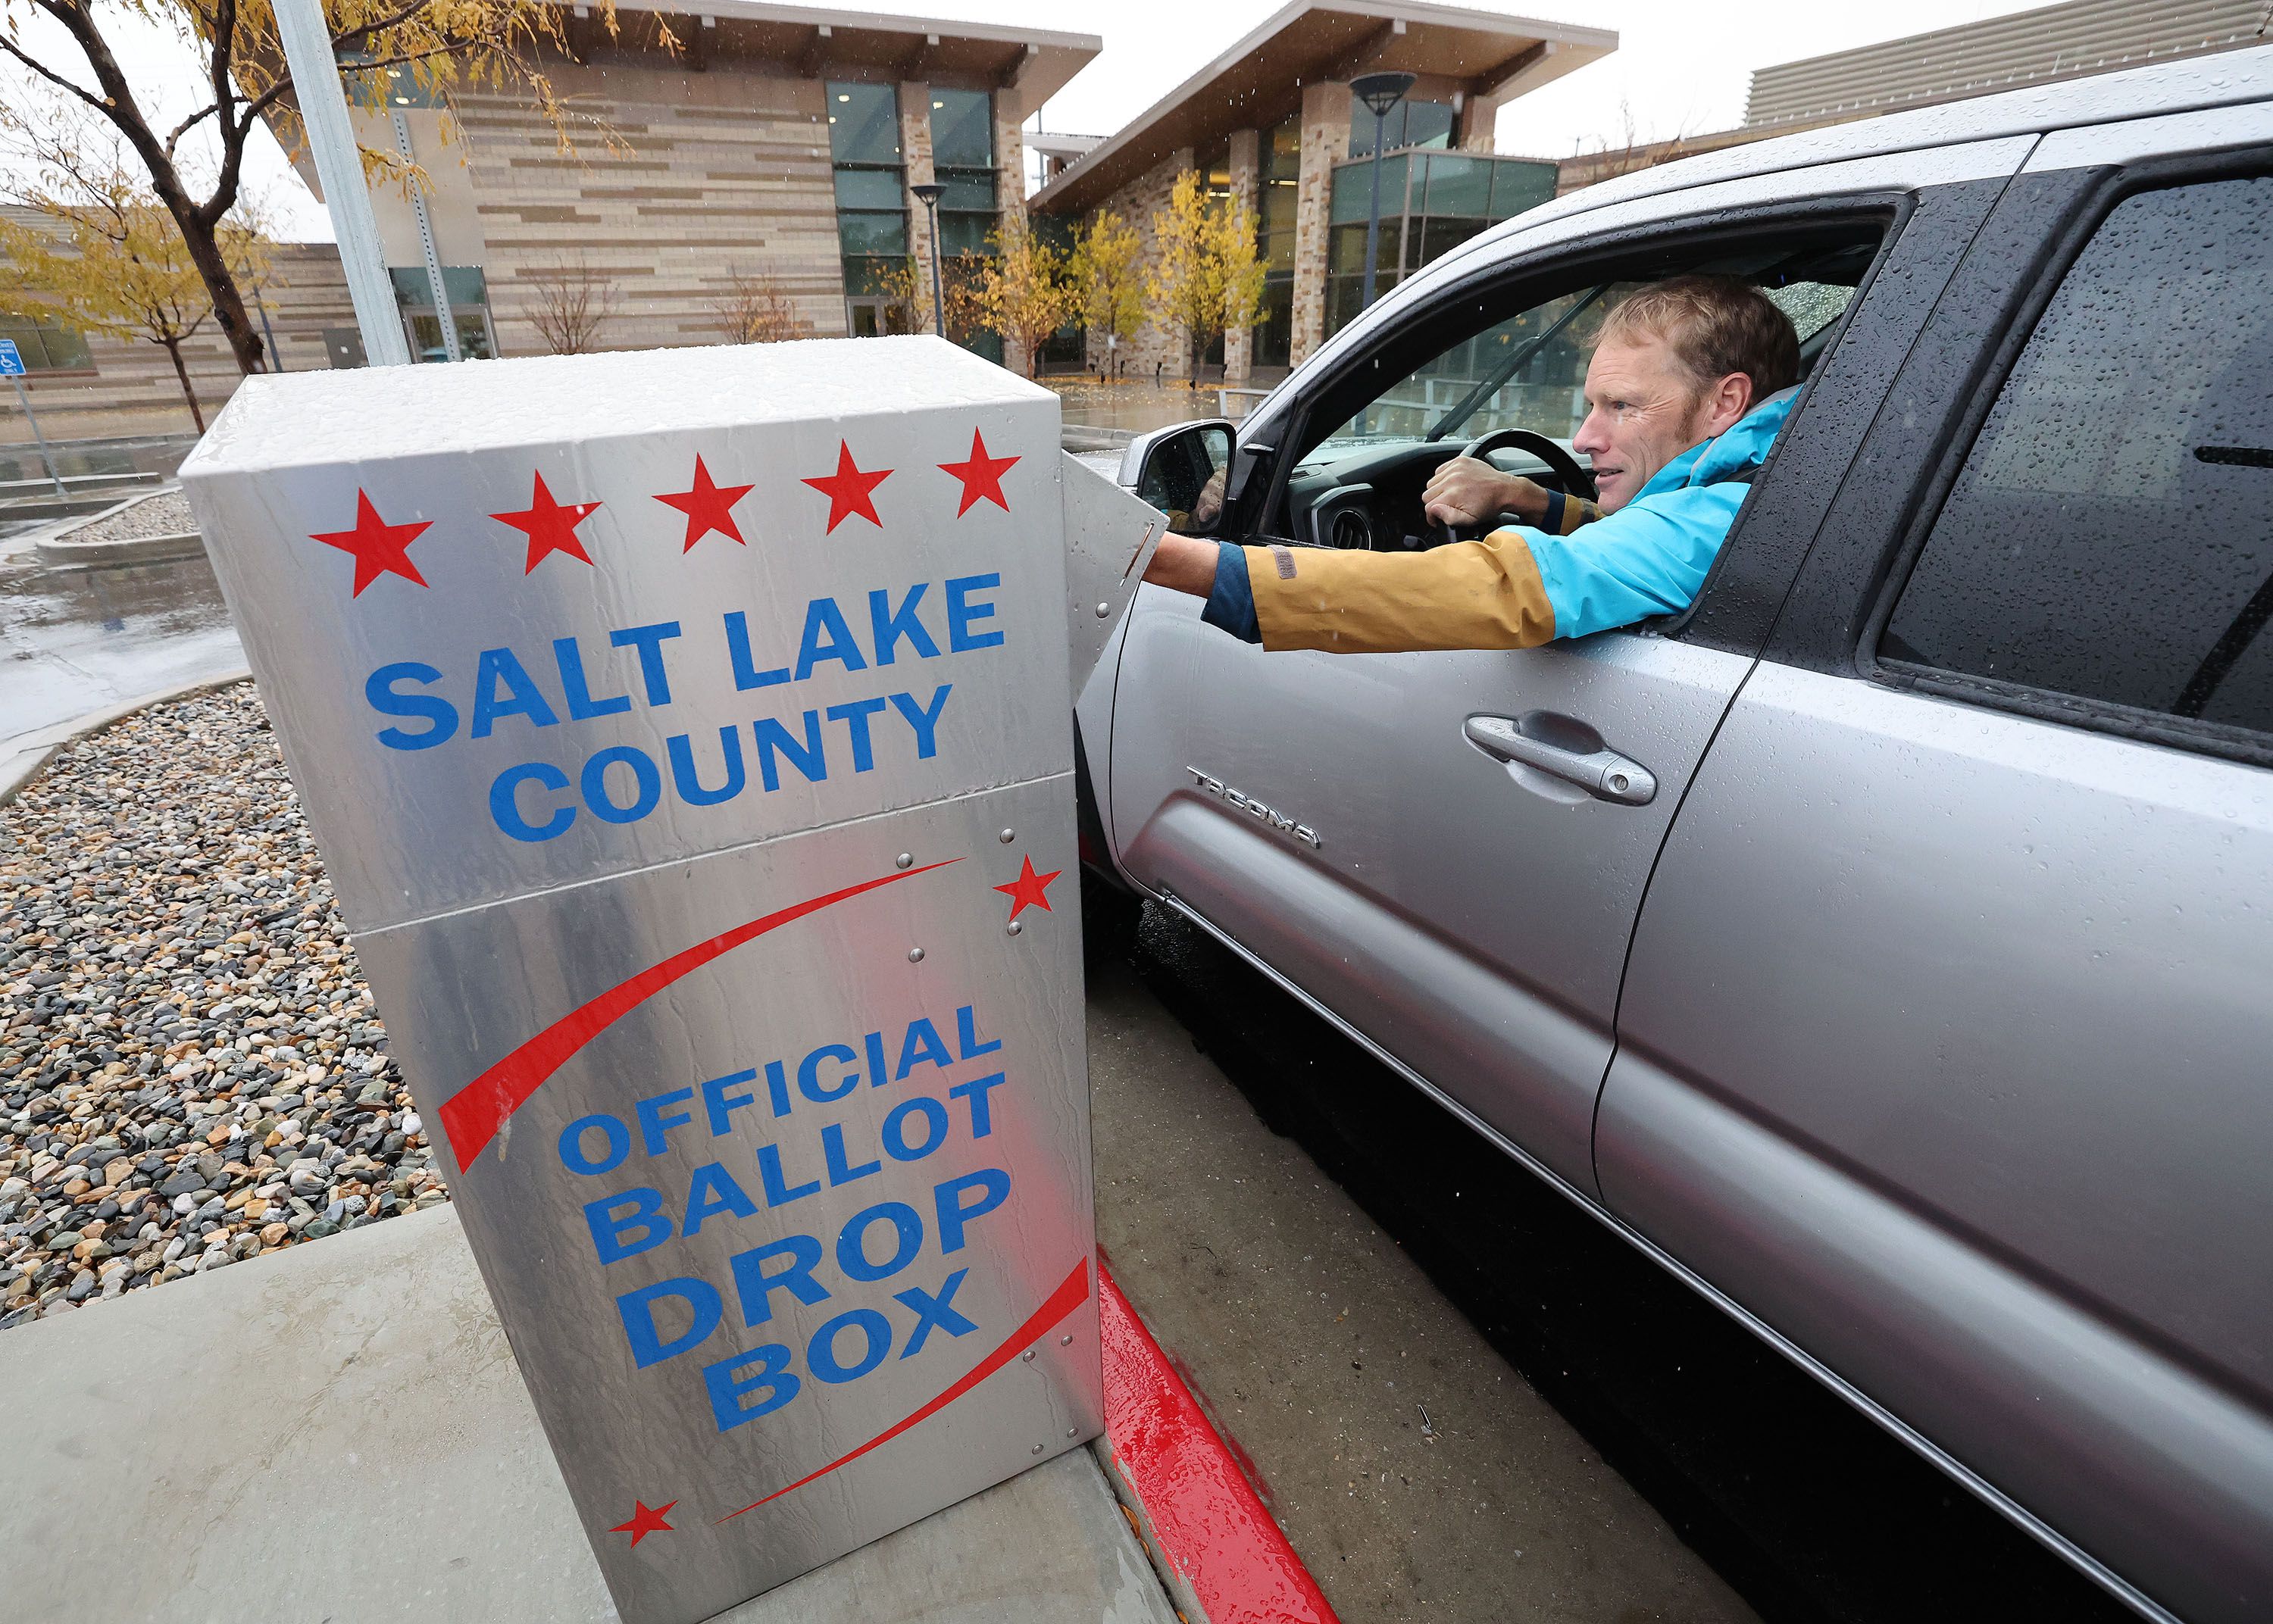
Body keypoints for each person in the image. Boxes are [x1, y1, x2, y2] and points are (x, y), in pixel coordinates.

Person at [1143, 275, 1802, 653]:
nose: (1582, 439)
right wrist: (1532, 498)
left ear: (1726, 402)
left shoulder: (1719, 518)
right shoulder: (1777, 479)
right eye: (1590, 405)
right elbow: (1643, 532)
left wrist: (1180, 561)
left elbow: (1502, 588)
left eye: (1622, 406)